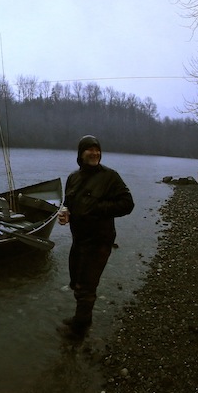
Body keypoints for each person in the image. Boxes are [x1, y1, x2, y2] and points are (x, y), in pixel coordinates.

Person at [57, 135, 134, 341]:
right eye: (90, 150)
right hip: (79, 239)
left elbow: (127, 204)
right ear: (81, 154)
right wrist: (65, 212)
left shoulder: (110, 177)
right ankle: (82, 318)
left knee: (87, 285)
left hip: (100, 240)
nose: (95, 153)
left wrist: (95, 208)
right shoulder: (73, 178)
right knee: (76, 281)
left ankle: (79, 330)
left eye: (97, 149)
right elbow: (69, 202)